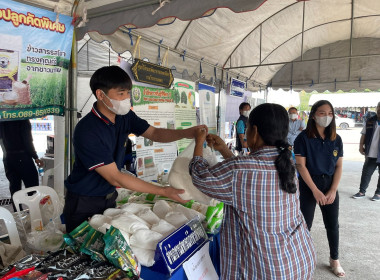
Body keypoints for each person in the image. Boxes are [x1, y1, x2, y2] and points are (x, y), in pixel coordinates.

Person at [63, 66, 206, 232]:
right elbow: (115, 177)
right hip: (84, 202)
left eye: (128, 93)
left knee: (109, 248)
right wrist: (164, 190)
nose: (127, 99)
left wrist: (188, 133)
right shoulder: (88, 130)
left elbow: (155, 133)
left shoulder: (125, 116)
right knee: (85, 251)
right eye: (121, 93)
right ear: (100, 94)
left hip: (109, 199)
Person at [190, 103, 316, 279]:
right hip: (297, 260)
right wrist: (225, 150)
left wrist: (199, 142)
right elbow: (246, 178)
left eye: (248, 128)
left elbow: (199, 175)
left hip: (266, 269)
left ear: (254, 132)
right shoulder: (286, 164)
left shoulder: (241, 170)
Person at [294, 100, 345, 277]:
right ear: (314, 114)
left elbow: (338, 167)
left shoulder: (336, 139)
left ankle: (334, 259)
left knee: (332, 224)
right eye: (322, 113)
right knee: (304, 225)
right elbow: (301, 166)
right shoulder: (303, 138)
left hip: (330, 184)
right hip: (309, 186)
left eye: (330, 113)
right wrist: (315, 191)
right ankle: (301, 257)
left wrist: (332, 190)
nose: (326, 117)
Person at [0, 120, 44, 211]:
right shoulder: (23, 120)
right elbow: (27, 140)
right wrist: (35, 157)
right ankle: (34, 213)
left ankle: (18, 214)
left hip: (8, 158)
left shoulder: (3, 119)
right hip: (23, 157)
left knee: (14, 187)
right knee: (32, 187)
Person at [352, 102, 380, 201]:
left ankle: (378, 193)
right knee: (366, 173)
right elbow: (363, 134)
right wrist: (361, 146)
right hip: (371, 152)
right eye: (378, 108)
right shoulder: (370, 120)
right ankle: (362, 191)